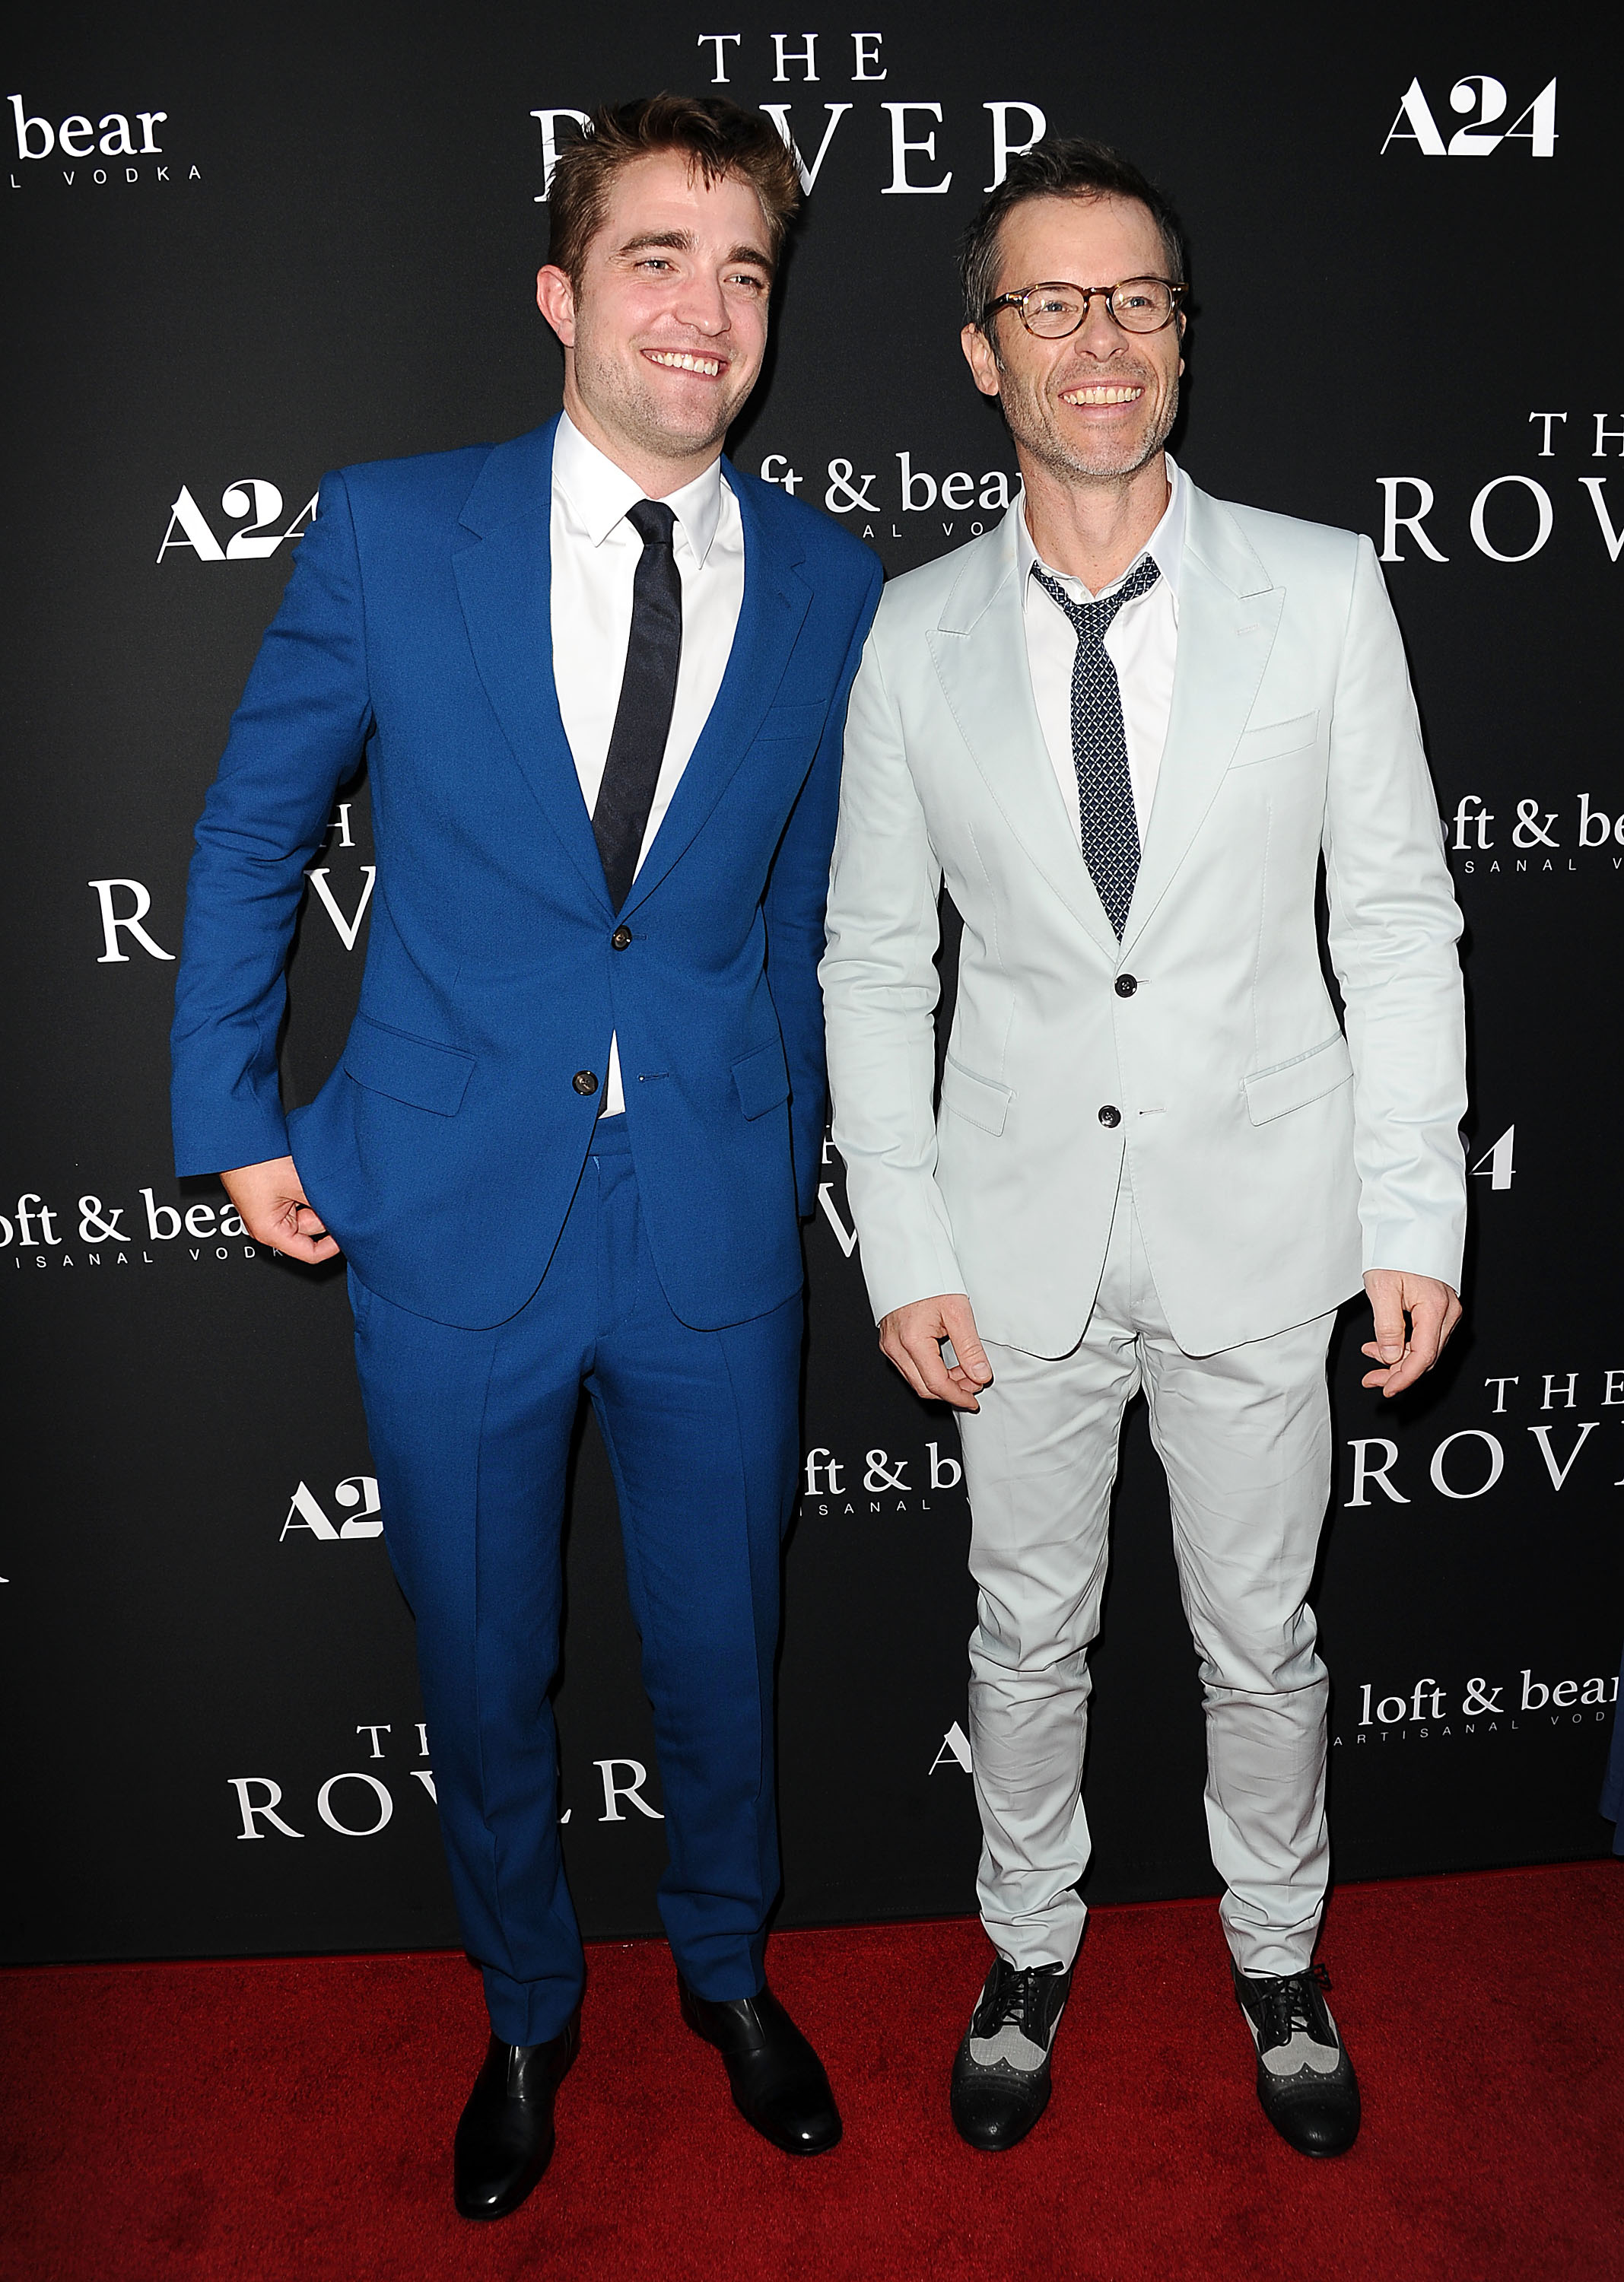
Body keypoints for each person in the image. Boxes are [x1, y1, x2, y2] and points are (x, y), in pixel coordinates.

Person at [170, 94, 882, 2220]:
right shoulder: (397, 532)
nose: (705, 310)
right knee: (481, 1659)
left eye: (744, 271)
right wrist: (231, 1112)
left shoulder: (832, 581)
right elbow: (253, 831)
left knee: (723, 1645)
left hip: (711, 1223)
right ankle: (524, 2007)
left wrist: (788, 1137)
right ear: (563, 293)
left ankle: (729, 1972)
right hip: (447, 1205)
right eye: (658, 258)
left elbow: (801, 916)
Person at [820, 138, 1465, 2159]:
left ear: (1181, 336)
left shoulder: (1324, 590)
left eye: (1136, 300)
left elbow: (1395, 921)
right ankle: (1026, 1945)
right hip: (1010, 1241)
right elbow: (873, 963)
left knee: (1263, 1641)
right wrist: (905, 1243)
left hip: (1263, 1226)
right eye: (1051, 304)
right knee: (1025, 1635)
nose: (1097, 340)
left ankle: (1279, 1955)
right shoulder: (906, 635)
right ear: (983, 351)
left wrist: (1414, 1212)